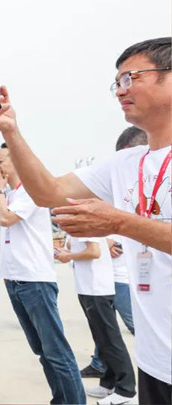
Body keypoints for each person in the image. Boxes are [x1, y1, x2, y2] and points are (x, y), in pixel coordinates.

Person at [0, 37, 171, 404]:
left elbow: (120, 224)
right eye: (116, 83)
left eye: (131, 78)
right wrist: (10, 130)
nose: (120, 90)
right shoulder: (124, 164)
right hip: (155, 361)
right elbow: (49, 192)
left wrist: (121, 223)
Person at [0, 143, 86, 404]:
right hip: (16, 281)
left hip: (34, 282)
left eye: (1, 161)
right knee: (42, 351)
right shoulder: (10, 195)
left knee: (57, 352)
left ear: (17, 162)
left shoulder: (30, 192)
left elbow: (7, 219)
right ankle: (60, 399)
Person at [82, 126, 144, 379]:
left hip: (123, 279)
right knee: (105, 331)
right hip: (113, 278)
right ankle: (100, 364)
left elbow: (110, 245)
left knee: (134, 326)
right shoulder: (116, 196)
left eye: (129, 158)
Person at [57, 232, 136, 404]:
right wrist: (68, 250)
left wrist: (69, 255)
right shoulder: (76, 224)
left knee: (110, 340)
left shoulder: (85, 222)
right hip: (87, 286)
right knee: (102, 340)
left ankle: (126, 390)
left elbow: (94, 251)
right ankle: (108, 383)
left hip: (96, 288)